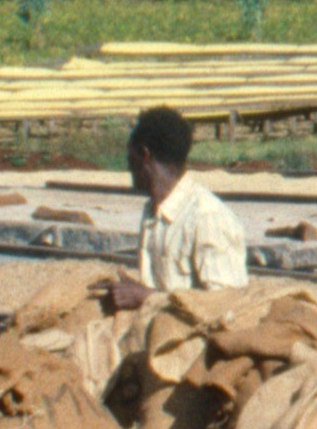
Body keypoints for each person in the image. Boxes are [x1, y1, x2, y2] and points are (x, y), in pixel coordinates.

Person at [102, 104, 253, 311]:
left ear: (145, 155)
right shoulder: (152, 212)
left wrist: (147, 297)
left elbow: (226, 307)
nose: (128, 168)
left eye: (130, 158)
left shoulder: (207, 217)